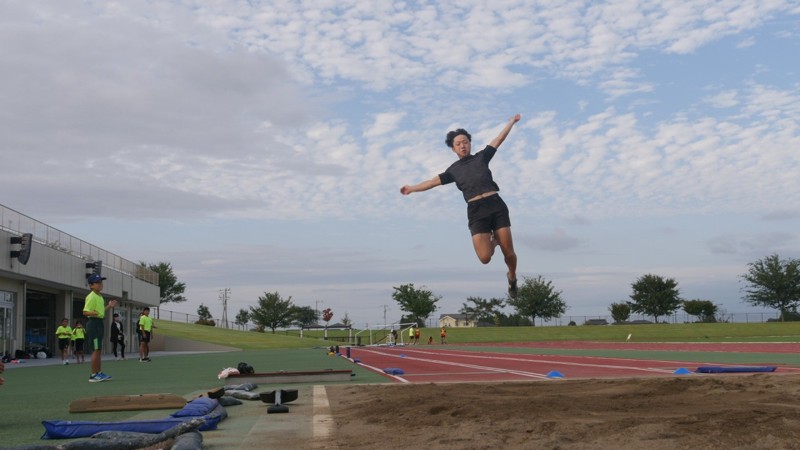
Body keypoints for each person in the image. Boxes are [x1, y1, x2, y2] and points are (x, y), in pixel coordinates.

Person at [401, 114, 522, 297]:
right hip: (476, 211)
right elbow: (432, 182)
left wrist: (511, 122)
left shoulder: (482, 157)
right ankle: (494, 240)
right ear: (453, 149)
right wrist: (412, 188)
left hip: (495, 205)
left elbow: (499, 139)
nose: (462, 145)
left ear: (470, 143)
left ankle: (512, 277)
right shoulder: (453, 170)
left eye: (465, 142)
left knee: (509, 254)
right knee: (484, 258)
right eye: (458, 144)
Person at [83, 273, 118, 382]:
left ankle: (99, 373)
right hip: (93, 324)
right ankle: (94, 375)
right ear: (91, 285)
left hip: (99, 324)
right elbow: (85, 311)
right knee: (95, 350)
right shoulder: (91, 296)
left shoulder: (100, 297)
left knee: (98, 350)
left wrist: (109, 306)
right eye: (97, 283)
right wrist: (92, 313)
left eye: (101, 282)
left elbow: (101, 312)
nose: (100, 284)